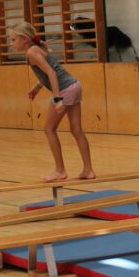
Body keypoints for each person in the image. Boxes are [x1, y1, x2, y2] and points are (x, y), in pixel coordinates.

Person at [8, 21, 95, 183]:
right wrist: (38, 86)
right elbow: (49, 72)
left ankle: (60, 171)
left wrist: (57, 99)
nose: (11, 43)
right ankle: (88, 170)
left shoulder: (32, 52)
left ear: (24, 39)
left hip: (65, 90)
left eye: (13, 40)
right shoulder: (36, 48)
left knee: (49, 129)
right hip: (74, 85)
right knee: (76, 130)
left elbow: (52, 73)